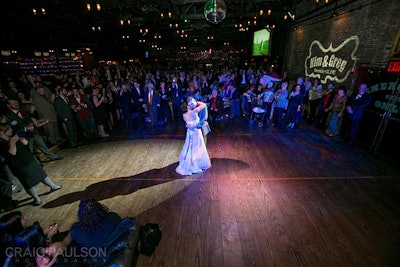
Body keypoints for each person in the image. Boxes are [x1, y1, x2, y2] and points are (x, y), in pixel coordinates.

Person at [0, 123, 62, 206]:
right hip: (19, 165)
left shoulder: (14, 136)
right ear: (1, 132)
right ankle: (37, 199)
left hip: (28, 159)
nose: (10, 130)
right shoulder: (1, 143)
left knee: (41, 173)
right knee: (28, 182)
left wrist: (22, 139)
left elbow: (27, 142)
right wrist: (13, 143)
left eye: (10, 128)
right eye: (7, 130)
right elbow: (11, 154)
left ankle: (53, 186)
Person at [176, 97, 211, 176]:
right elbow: (204, 105)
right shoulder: (194, 112)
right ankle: (195, 161)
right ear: (188, 106)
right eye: (191, 103)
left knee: (189, 146)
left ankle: (190, 160)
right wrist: (197, 102)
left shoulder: (184, 115)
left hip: (189, 132)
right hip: (196, 132)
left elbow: (188, 124)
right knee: (197, 147)